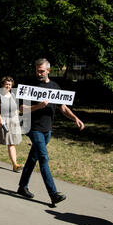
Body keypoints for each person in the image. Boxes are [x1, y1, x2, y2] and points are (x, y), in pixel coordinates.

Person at [17, 58, 84, 206]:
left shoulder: (55, 86)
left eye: (42, 71)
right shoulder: (30, 86)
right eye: (37, 70)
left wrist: (75, 119)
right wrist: (38, 106)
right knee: (43, 158)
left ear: (48, 70)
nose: (39, 73)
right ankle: (53, 194)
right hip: (33, 128)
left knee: (33, 158)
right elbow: (22, 109)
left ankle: (22, 186)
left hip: (47, 129)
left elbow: (63, 107)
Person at [0, 76, 23, 172]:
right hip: (0, 120)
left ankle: (15, 165)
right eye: (6, 84)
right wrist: (0, 119)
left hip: (12, 121)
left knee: (11, 143)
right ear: (2, 84)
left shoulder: (12, 95)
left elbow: (15, 108)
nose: (8, 86)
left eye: (10, 84)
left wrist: (17, 118)